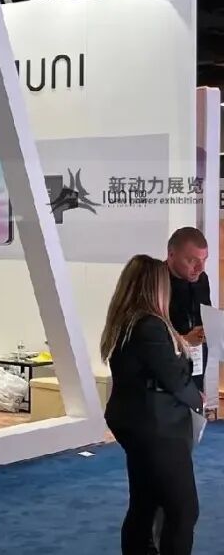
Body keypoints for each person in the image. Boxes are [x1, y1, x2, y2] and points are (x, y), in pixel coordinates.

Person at [102, 254, 203, 555]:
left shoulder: (127, 322)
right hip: (157, 426)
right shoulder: (150, 325)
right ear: (155, 286)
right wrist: (197, 400)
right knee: (183, 509)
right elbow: (174, 378)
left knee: (145, 502)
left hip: (136, 420)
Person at [165, 227, 211, 390]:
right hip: (165, 372)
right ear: (171, 255)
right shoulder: (154, 282)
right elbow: (144, 336)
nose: (200, 268)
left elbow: (205, 316)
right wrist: (184, 340)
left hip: (197, 365)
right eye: (192, 261)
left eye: (204, 260)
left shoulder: (202, 280)